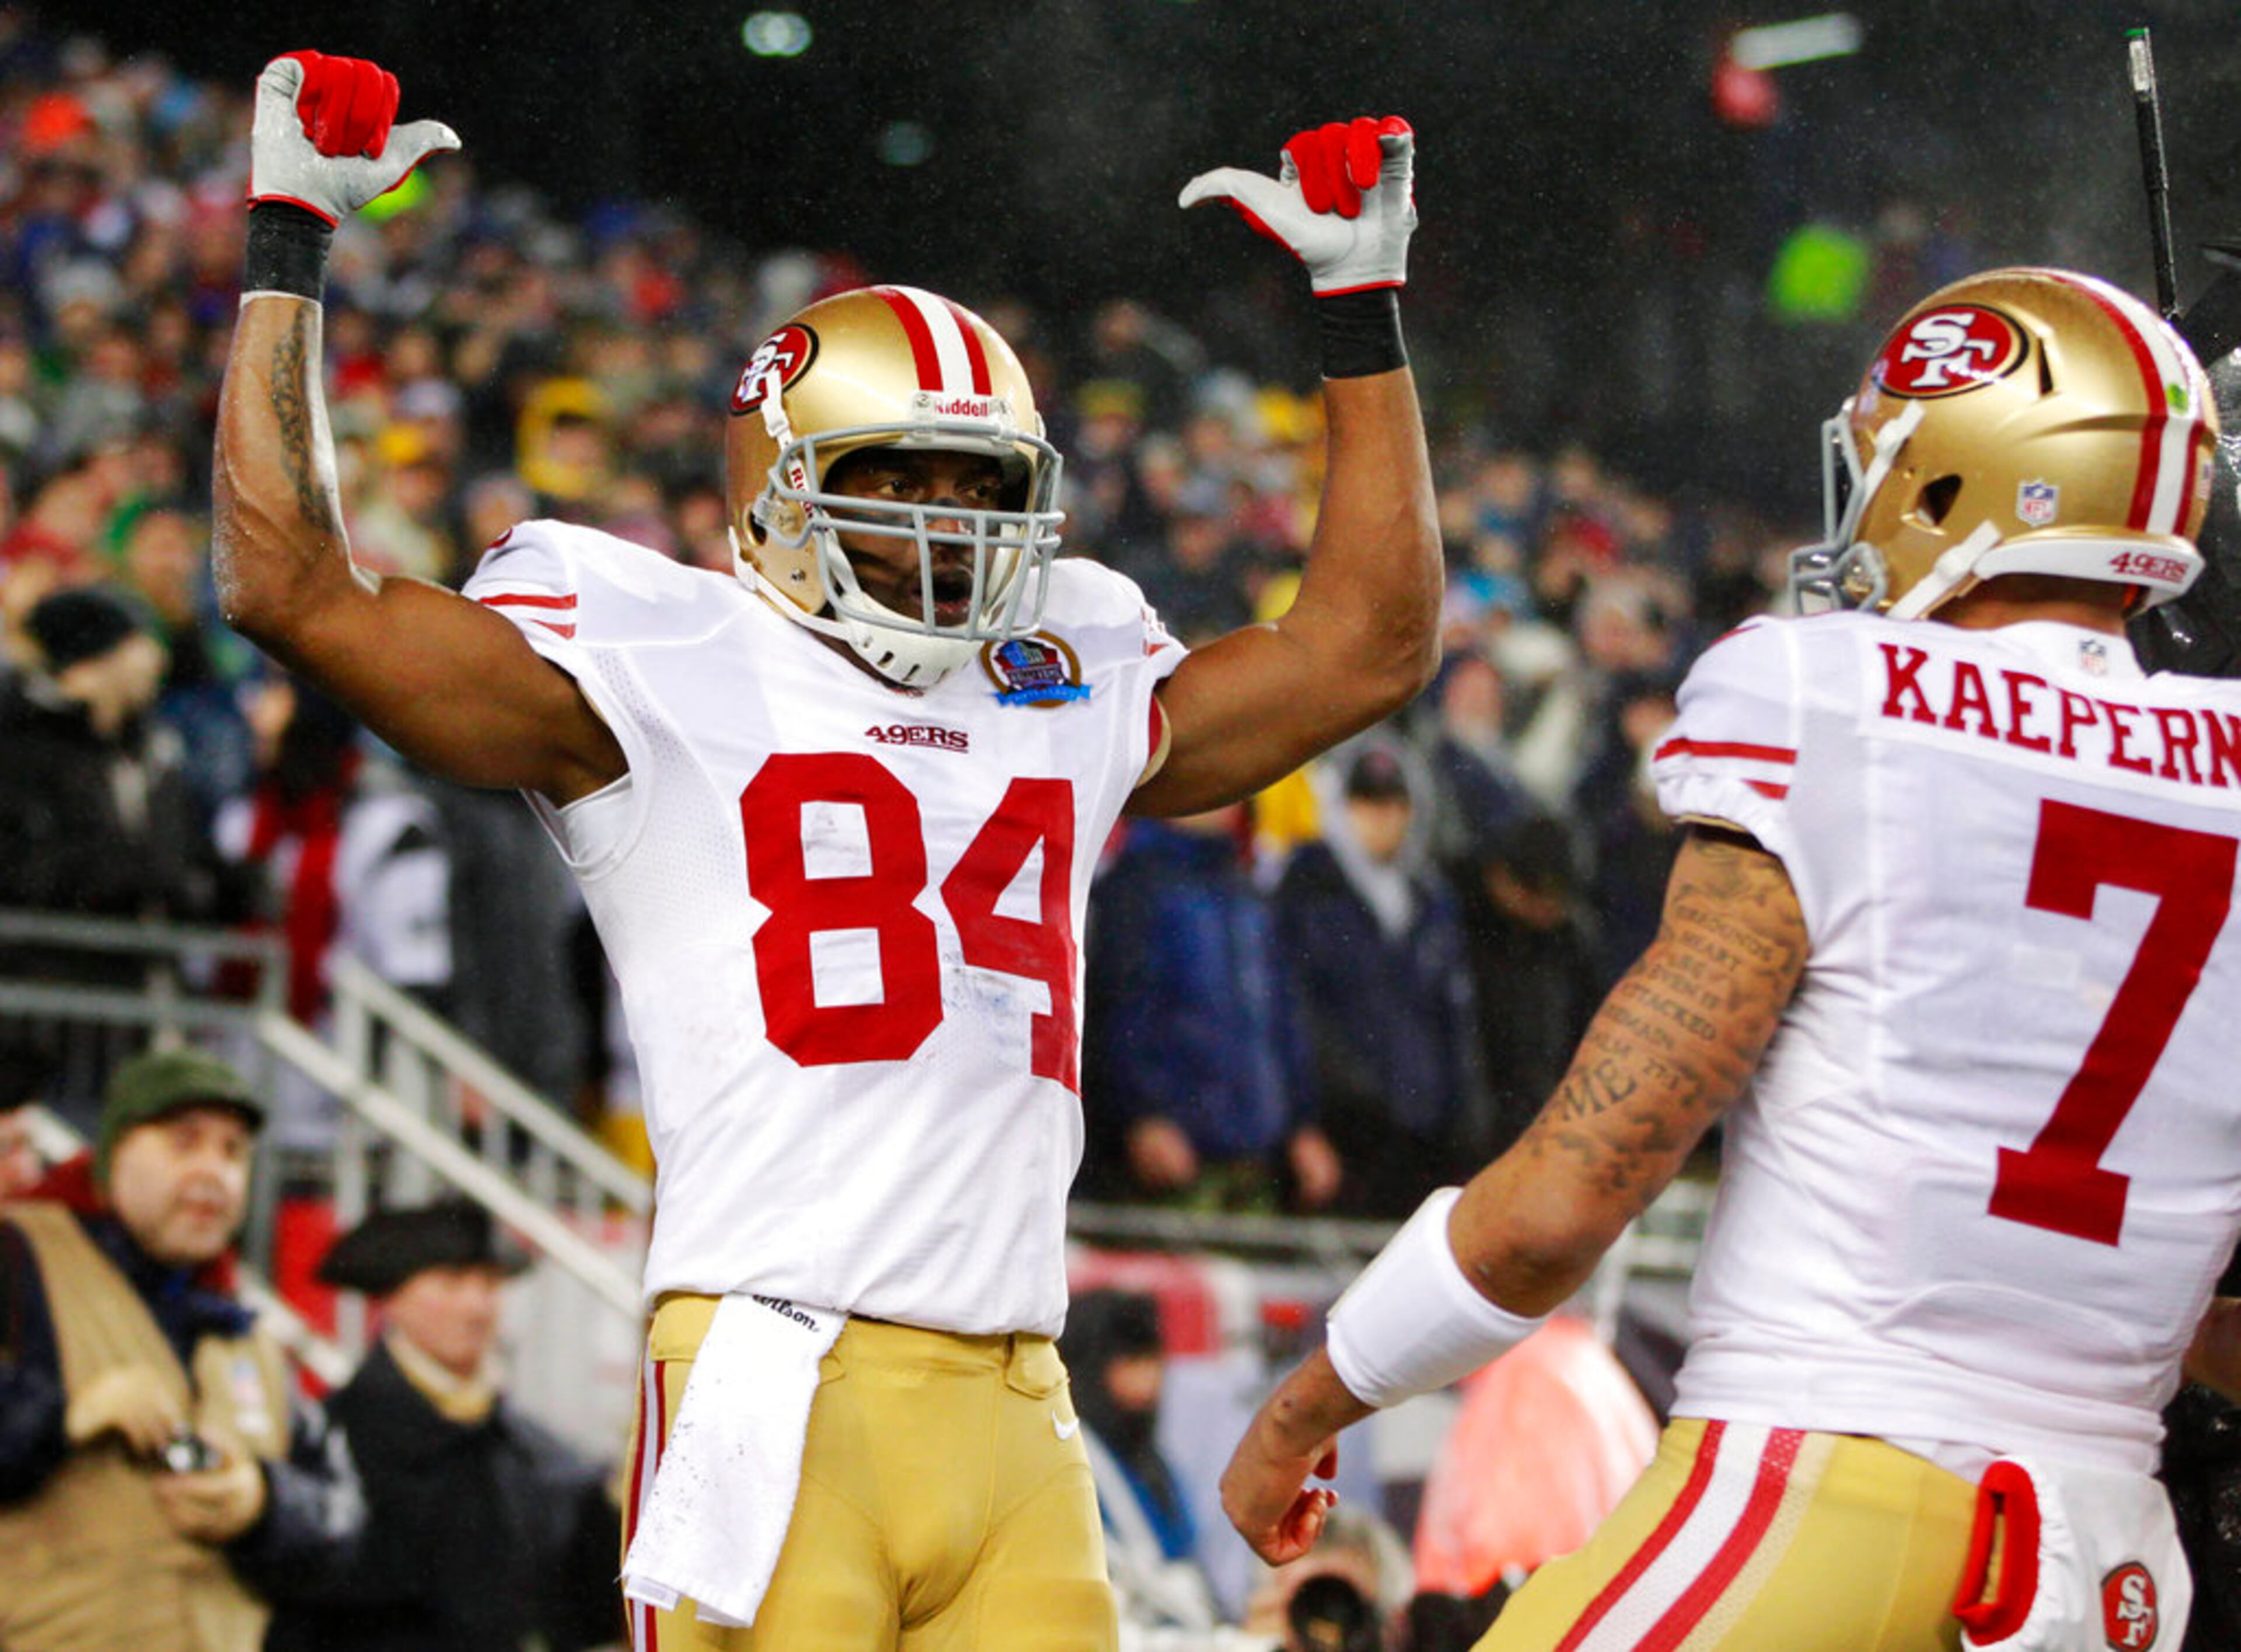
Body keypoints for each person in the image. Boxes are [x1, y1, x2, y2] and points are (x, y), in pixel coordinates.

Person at [213, 51, 1438, 1651]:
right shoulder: (659, 654)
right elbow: (291, 586)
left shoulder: (1057, 671)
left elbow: (1368, 644)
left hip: (1018, 1392)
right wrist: (290, 243)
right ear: (778, 495)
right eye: (893, 480)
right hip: (772, 1375)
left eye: (977, 483)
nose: (943, 522)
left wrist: (1360, 312)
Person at [1220, 267, 2241, 1651]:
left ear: (1952, 487)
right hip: (2111, 1577)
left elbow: (1560, 1206)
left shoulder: (1826, 696)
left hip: (1819, 1494)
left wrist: (1308, 1400)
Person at [0, 1047, 364, 1650]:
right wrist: (63, 1414)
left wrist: (262, 1502)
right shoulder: (18, 1259)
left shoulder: (246, 1329)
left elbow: (342, 1518)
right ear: (112, 1156)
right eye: (184, 1141)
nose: (213, 1171)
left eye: (233, 1151)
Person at [265, 1198, 622, 1652]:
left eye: (489, 1284)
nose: (476, 1306)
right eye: (452, 1283)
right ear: (391, 1298)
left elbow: (580, 1614)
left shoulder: (535, 1452)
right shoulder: (331, 1438)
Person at [1083, 801, 1337, 1211]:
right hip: (1174, 1162)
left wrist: (1302, 1125)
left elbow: (1282, 1018)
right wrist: (1143, 1115)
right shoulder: (1131, 887)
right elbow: (1119, 1012)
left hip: (1258, 1157)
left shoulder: (1248, 890)